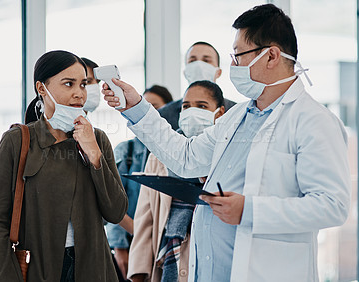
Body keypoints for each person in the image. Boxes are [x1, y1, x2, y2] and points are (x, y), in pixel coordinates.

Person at [101, 4, 351, 282]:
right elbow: (186, 158)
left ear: (271, 56)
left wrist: (250, 210)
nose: (233, 65)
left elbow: (332, 205)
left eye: (239, 55)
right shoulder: (237, 116)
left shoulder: (313, 120)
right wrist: (136, 106)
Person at [0, 50, 128, 282]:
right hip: (38, 270)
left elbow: (116, 211)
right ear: (41, 88)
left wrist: (93, 154)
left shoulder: (98, 139)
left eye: (82, 84)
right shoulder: (17, 141)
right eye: (68, 84)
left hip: (93, 269)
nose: (78, 93)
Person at [128, 81, 225, 282]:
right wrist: (138, 272)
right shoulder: (159, 155)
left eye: (202, 106)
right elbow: (145, 218)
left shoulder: (228, 155)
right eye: (186, 106)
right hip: (168, 256)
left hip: (211, 255)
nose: (192, 112)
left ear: (220, 113)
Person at [107, 84, 173, 280]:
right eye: (144, 105)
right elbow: (112, 202)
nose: (148, 111)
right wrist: (121, 247)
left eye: (156, 107)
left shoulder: (174, 152)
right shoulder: (125, 151)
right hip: (130, 242)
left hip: (162, 244)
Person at [158, 41, 235, 130]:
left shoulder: (236, 112)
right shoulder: (164, 116)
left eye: (206, 60)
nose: (199, 66)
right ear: (185, 72)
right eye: (192, 61)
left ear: (218, 72)